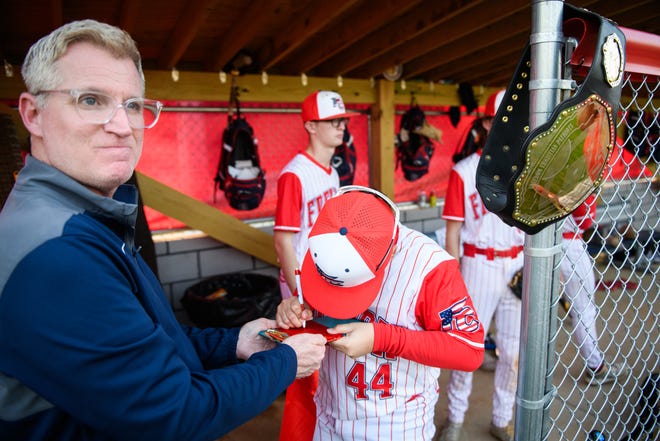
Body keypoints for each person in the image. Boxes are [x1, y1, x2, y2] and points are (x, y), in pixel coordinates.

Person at [0, 19, 326, 441]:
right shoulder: (56, 253)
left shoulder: (79, 216)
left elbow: (143, 340)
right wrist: (284, 361)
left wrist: (233, 344)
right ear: (33, 114)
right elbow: (174, 414)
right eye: (91, 100)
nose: (122, 125)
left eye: (133, 105)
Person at [276, 185, 485, 441]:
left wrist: (382, 338)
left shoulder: (429, 266)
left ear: (392, 251)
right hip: (328, 410)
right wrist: (293, 311)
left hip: (395, 422)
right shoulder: (326, 240)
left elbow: (470, 351)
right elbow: (309, 309)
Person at [438, 90, 525, 441]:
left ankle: (501, 418)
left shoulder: (524, 167)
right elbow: (452, 234)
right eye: (499, 118)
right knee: (466, 347)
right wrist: (453, 279)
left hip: (516, 262)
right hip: (477, 263)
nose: (507, 125)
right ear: (487, 123)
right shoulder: (463, 172)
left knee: (513, 353)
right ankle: (455, 420)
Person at [273, 90, 358, 441]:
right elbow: (282, 240)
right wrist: (299, 293)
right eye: (332, 121)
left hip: (326, 281)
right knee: (306, 375)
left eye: (342, 120)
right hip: (303, 286)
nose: (341, 126)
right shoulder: (295, 174)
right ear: (310, 125)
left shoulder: (332, 172)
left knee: (331, 366)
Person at [560, 196, 628, 385]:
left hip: (542, 241)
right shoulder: (575, 171)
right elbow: (586, 219)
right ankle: (596, 368)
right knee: (584, 311)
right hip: (569, 244)